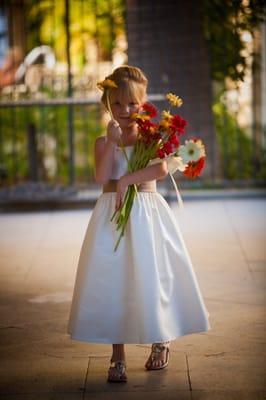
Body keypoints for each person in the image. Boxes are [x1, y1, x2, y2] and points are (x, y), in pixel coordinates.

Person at [67, 65, 211, 383]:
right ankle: (117, 354)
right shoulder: (104, 140)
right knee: (114, 280)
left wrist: (128, 180)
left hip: (146, 212)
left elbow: (160, 169)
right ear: (107, 104)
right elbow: (103, 177)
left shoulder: (152, 134)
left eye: (132, 103)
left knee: (152, 274)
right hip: (112, 215)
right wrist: (110, 141)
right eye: (117, 104)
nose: (125, 110)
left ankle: (160, 340)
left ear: (143, 102)